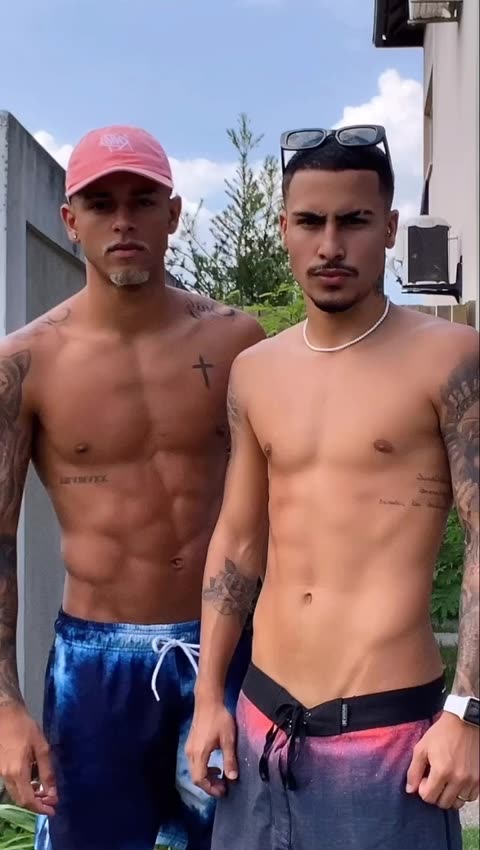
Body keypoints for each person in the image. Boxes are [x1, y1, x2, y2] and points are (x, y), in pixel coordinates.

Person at [186, 127, 479, 850]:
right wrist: (209, 697)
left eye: (353, 221)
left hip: (387, 738)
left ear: (391, 228)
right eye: (311, 221)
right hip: (260, 725)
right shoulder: (256, 371)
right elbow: (240, 539)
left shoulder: (448, 359)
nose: (330, 245)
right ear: (284, 228)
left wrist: (467, 712)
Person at [0, 124, 264, 850]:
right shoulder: (26, 364)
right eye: (101, 203)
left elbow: (283, 505)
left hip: (226, 646)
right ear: (70, 219)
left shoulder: (236, 342)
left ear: (172, 214)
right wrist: (6, 707)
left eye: (142, 201)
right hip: (95, 665)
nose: (123, 221)